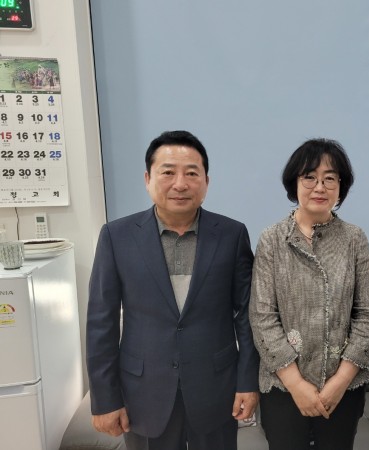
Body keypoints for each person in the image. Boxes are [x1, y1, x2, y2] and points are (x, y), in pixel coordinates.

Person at [86, 130, 259, 450]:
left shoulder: (232, 234)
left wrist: (248, 382)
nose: (180, 183)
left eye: (191, 173)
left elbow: (247, 315)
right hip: (143, 392)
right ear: (148, 179)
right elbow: (101, 322)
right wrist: (105, 399)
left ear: (206, 181)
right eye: (168, 172)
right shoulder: (116, 236)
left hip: (216, 388)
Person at [249, 138, 369, 450]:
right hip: (283, 387)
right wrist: (296, 384)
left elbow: (367, 316)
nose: (319, 187)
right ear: (294, 183)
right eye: (310, 177)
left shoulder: (354, 239)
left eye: (330, 178)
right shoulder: (272, 239)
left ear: (340, 187)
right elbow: (263, 317)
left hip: (343, 387)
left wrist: (340, 382)